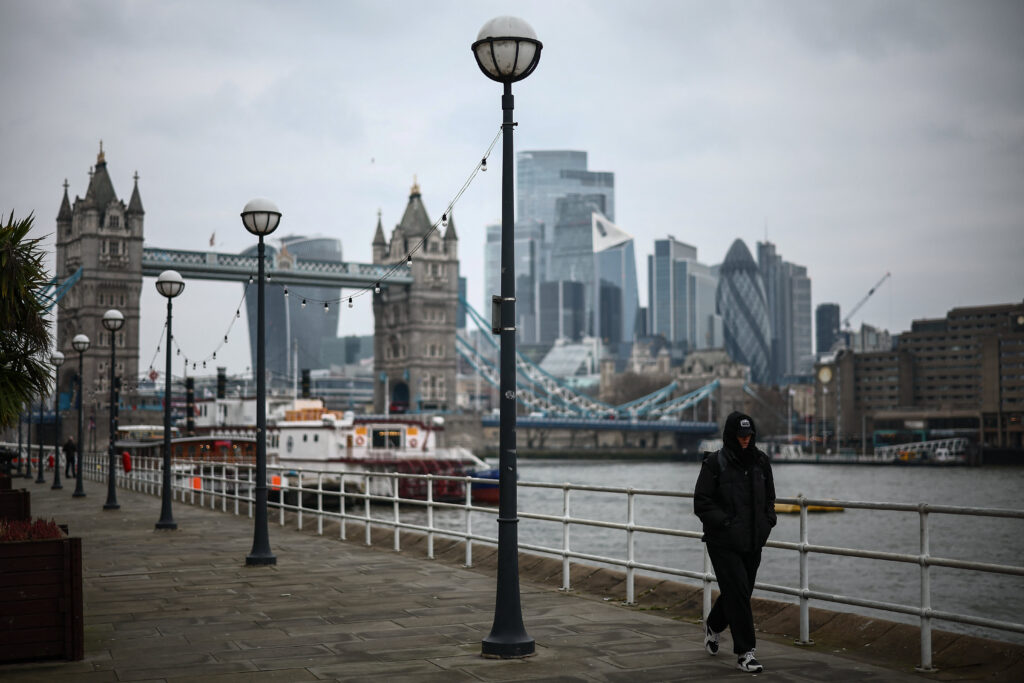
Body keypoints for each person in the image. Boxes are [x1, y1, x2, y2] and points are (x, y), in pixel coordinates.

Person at [694, 411, 777, 673]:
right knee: (739, 593)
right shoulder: (714, 463)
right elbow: (701, 503)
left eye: (749, 434)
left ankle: (714, 625)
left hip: (753, 540)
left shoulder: (761, 462)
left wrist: (768, 522)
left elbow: (770, 499)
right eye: (741, 435)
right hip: (723, 542)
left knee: (740, 592)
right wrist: (726, 524)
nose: (745, 439)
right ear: (731, 435)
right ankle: (745, 653)